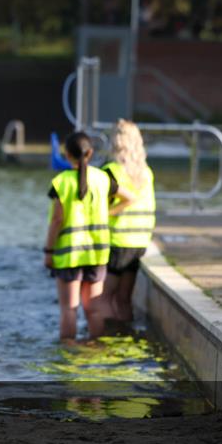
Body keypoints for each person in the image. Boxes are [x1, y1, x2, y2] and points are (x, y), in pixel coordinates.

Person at [44, 132, 133, 341]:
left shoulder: (61, 182)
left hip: (69, 256)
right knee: (93, 309)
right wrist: (108, 212)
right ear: (90, 153)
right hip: (97, 255)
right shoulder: (103, 178)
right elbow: (130, 198)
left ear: (66, 155)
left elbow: (57, 221)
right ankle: (95, 350)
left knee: (69, 309)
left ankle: (68, 354)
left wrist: (48, 251)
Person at [101, 120, 156, 323]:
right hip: (140, 242)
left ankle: (106, 339)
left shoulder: (111, 171)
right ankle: (126, 336)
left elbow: (105, 204)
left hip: (118, 242)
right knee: (124, 299)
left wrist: (107, 214)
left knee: (103, 298)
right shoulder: (146, 173)